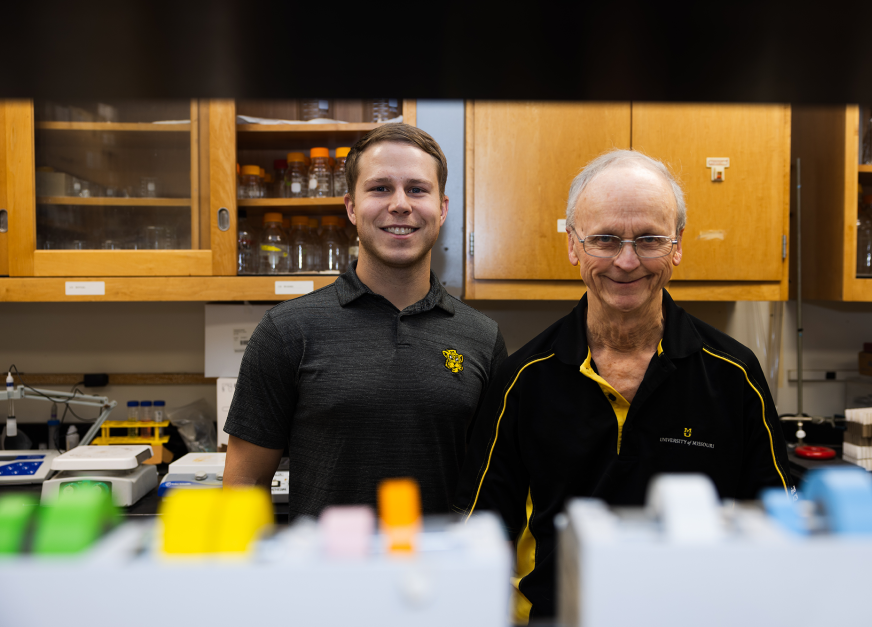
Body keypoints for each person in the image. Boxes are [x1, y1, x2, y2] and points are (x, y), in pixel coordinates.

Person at [454, 149, 793, 624]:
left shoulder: (734, 375)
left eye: (650, 239)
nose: (627, 261)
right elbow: (483, 537)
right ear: (573, 245)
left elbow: (777, 529)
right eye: (605, 239)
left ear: (677, 246)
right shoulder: (522, 379)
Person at [224, 124, 507, 519]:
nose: (400, 204)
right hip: (329, 560)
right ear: (351, 207)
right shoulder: (286, 331)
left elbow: (494, 485)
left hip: (440, 560)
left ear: (442, 208)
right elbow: (243, 487)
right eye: (380, 188)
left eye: (417, 189)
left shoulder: (482, 337)